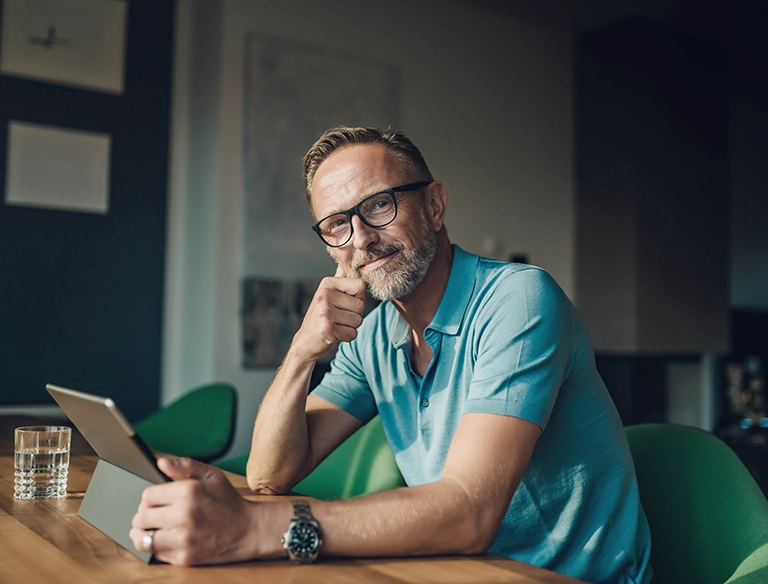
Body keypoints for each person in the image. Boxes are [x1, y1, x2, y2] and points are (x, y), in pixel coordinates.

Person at [131, 126, 652, 583]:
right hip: (456, 571)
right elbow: (272, 474)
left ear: (434, 204)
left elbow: (470, 511)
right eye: (336, 224)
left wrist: (257, 528)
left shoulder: (518, 299)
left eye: (379, 205)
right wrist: (301, 354)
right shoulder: (377, 333)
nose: (361, 239)